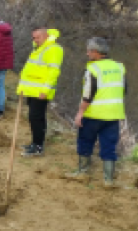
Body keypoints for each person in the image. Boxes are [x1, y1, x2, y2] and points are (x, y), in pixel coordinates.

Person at [67, 37, 127, 187]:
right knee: (109, 146)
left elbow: (88, 95)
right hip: (114, 114)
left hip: (93, 114)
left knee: (85, 141)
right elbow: (124, 90)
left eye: (88, 51)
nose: (87, 54)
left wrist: (80, 113)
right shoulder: (119, 67)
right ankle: (108, 180)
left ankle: (83, 172)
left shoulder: (93, 69)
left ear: (95, 52)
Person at [16, 27, 63, 157]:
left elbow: (53, 72)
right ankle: (35, 143)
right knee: (35, 117)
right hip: (32, 90)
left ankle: (38, 146)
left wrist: (45, 90)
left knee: (36, 117)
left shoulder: (54, 49)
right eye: (34, 37)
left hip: (40, 91)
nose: (35, 40)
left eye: (38, 37)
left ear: (46, 36)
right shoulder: (38, 48)